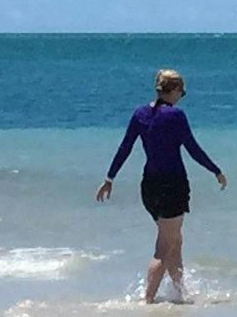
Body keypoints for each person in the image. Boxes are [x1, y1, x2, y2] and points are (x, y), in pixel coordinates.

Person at [95, 68, 225, 304]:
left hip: (149, 187)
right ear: (173, 90)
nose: (181, 96)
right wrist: (215, 170)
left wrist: (109, 178)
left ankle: (179, 293)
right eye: (181, 92)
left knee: (174, 239)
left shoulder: (140, 114)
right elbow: (193, 148)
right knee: (164, 246)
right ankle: (148, 301)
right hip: (172, 185)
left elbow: (125, 147)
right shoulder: (176, 116)